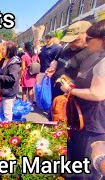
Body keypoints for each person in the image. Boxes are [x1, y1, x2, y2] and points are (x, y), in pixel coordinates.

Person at [60, 19, 105, 180]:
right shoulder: (96, 56)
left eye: (89, 39)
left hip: (95, 123)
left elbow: (97, 93)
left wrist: (71, 90)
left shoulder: (102, 61)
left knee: (88, 166)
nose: (87, 43)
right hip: (86, 120)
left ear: (101, 39)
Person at [45, 21, 92, 100]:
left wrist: (70, 89)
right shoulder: (67, 48)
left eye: (75, 40)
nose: (71, 44)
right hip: (56, 95)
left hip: (71, 100)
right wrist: (53, 68)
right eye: (69, 41)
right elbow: (55, 60)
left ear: (87, 35)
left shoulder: (91, 53)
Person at [0, 42, 21, 121]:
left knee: (7, 113)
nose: (1, 51)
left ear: (9, 50)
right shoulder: (3, 60)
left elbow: (12, 78)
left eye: (3, 49)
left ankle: (7, 129)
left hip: (8, 92)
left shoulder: (14, 63)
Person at [21, 42, 39, 107]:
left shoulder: (24, 56)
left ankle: (23, 105)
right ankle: (30, 105)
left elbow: (23, 68)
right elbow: (38, 62)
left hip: (26, 75)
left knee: (24, 91)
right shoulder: (35, 55)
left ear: (25, 48)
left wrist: (20, 77)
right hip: (33, 75)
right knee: (31, 90)